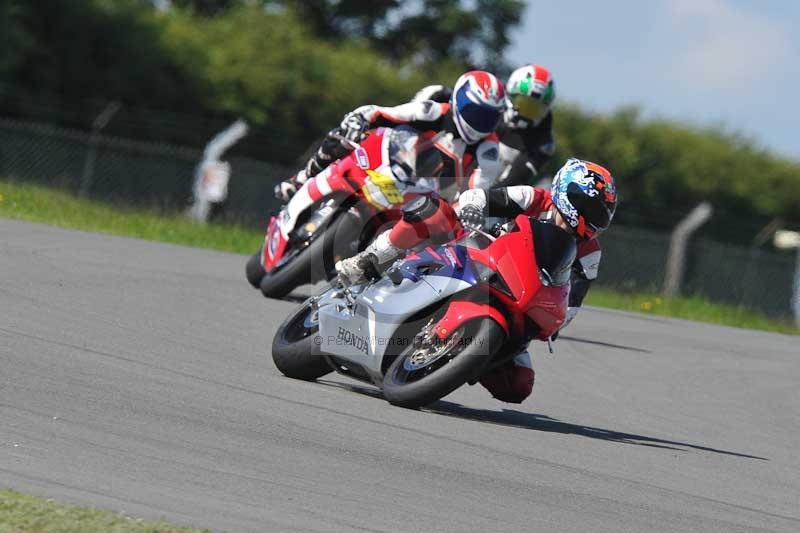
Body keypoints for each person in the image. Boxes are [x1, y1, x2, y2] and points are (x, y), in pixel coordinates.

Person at [336, 158, 618, 404]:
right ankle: (366, 260)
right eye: (586, 207)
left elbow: (573, 302)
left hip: (519, 297)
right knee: (434, 212)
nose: (590, 218)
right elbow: (481, 198)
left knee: (519, 384)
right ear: (566, 192)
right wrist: (472, 208)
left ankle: (458, 358)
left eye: (599, 214)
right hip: (473, 250)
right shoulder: (534, 198)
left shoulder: (590, 254)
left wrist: (555, 321)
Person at [274, 71, 506, 202]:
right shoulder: (432, 108)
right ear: (458, 100)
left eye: (488, 117)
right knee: (341, 138)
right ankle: (303, 179)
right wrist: (359, 120)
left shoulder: (489, 151)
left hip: (431, 199)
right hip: (395, 161)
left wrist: (462, 208)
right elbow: (382, 113)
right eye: (475, 112)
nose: (480, 122)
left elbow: (475, 194)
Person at [411, 64, 557, 188]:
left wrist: (477, 200)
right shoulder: (492, 105)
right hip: (444, 167)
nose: (527, 114)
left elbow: (512, 182)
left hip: (484, 190)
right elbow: (455, 99)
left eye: (535, 109)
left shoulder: (543, 144)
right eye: (524, 105)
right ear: (510, 94)